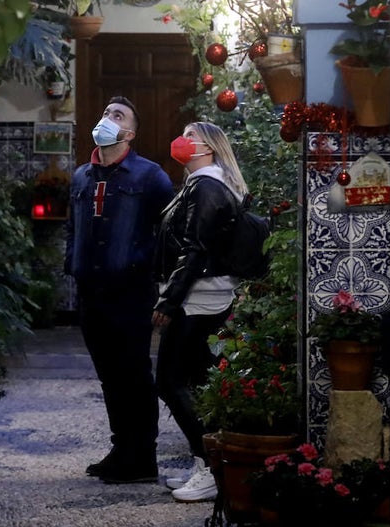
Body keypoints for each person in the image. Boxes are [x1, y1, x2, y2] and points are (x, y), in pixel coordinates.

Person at [65, 96, 175, 484]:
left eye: (117, 115)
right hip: (91, 292)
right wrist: (72, 265)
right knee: (109, 376)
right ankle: (120, 448)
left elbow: (170, 234)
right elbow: (72, 228)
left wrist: (157, 280)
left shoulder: (150, 177)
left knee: (134, 373)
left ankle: (143, 457)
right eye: (105, 112)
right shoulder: (81, 176)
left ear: (129, 132)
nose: (107, 119)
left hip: (131, 291)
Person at [152, 121, 247, 503]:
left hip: (198, 298)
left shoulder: (207, 186)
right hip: (201, 295)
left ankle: (210, 466)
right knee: (193, 381)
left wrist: (168, 300)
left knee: (170, 381)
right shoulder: (203, 184)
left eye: (191, 137)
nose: (182, 141)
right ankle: (207, 462)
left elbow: (195, 249)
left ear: (208, 148)